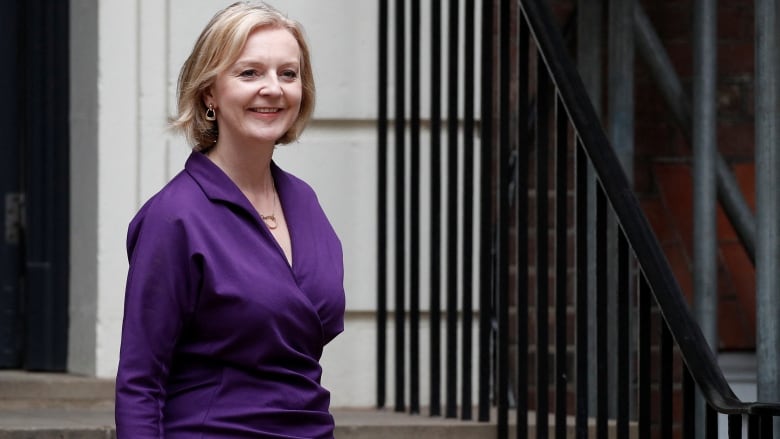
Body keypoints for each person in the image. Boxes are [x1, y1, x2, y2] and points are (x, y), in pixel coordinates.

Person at [114, 2, 346, 437]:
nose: (273, 88)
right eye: (249, 73)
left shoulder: (305, 202)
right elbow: (140, 382)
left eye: (288, 73)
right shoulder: (176, 216)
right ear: (209, 94)